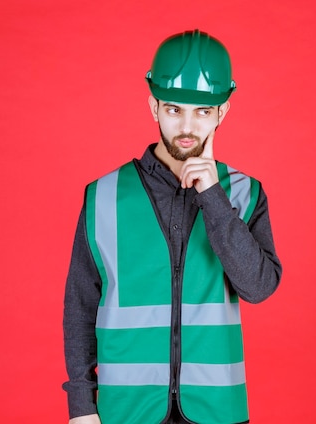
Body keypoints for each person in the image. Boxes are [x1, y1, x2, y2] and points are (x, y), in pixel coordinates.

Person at [62, 29, 282, 424]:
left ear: (222, 112)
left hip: (218, 411)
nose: (187, 126)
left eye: (202, 112)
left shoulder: (245, 194)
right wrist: (81, 405)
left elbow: (259, 287)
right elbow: (80, 304)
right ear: (154, 107)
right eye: (174, 109)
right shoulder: (104, 196)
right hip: (126, 411)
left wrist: (213, 196)